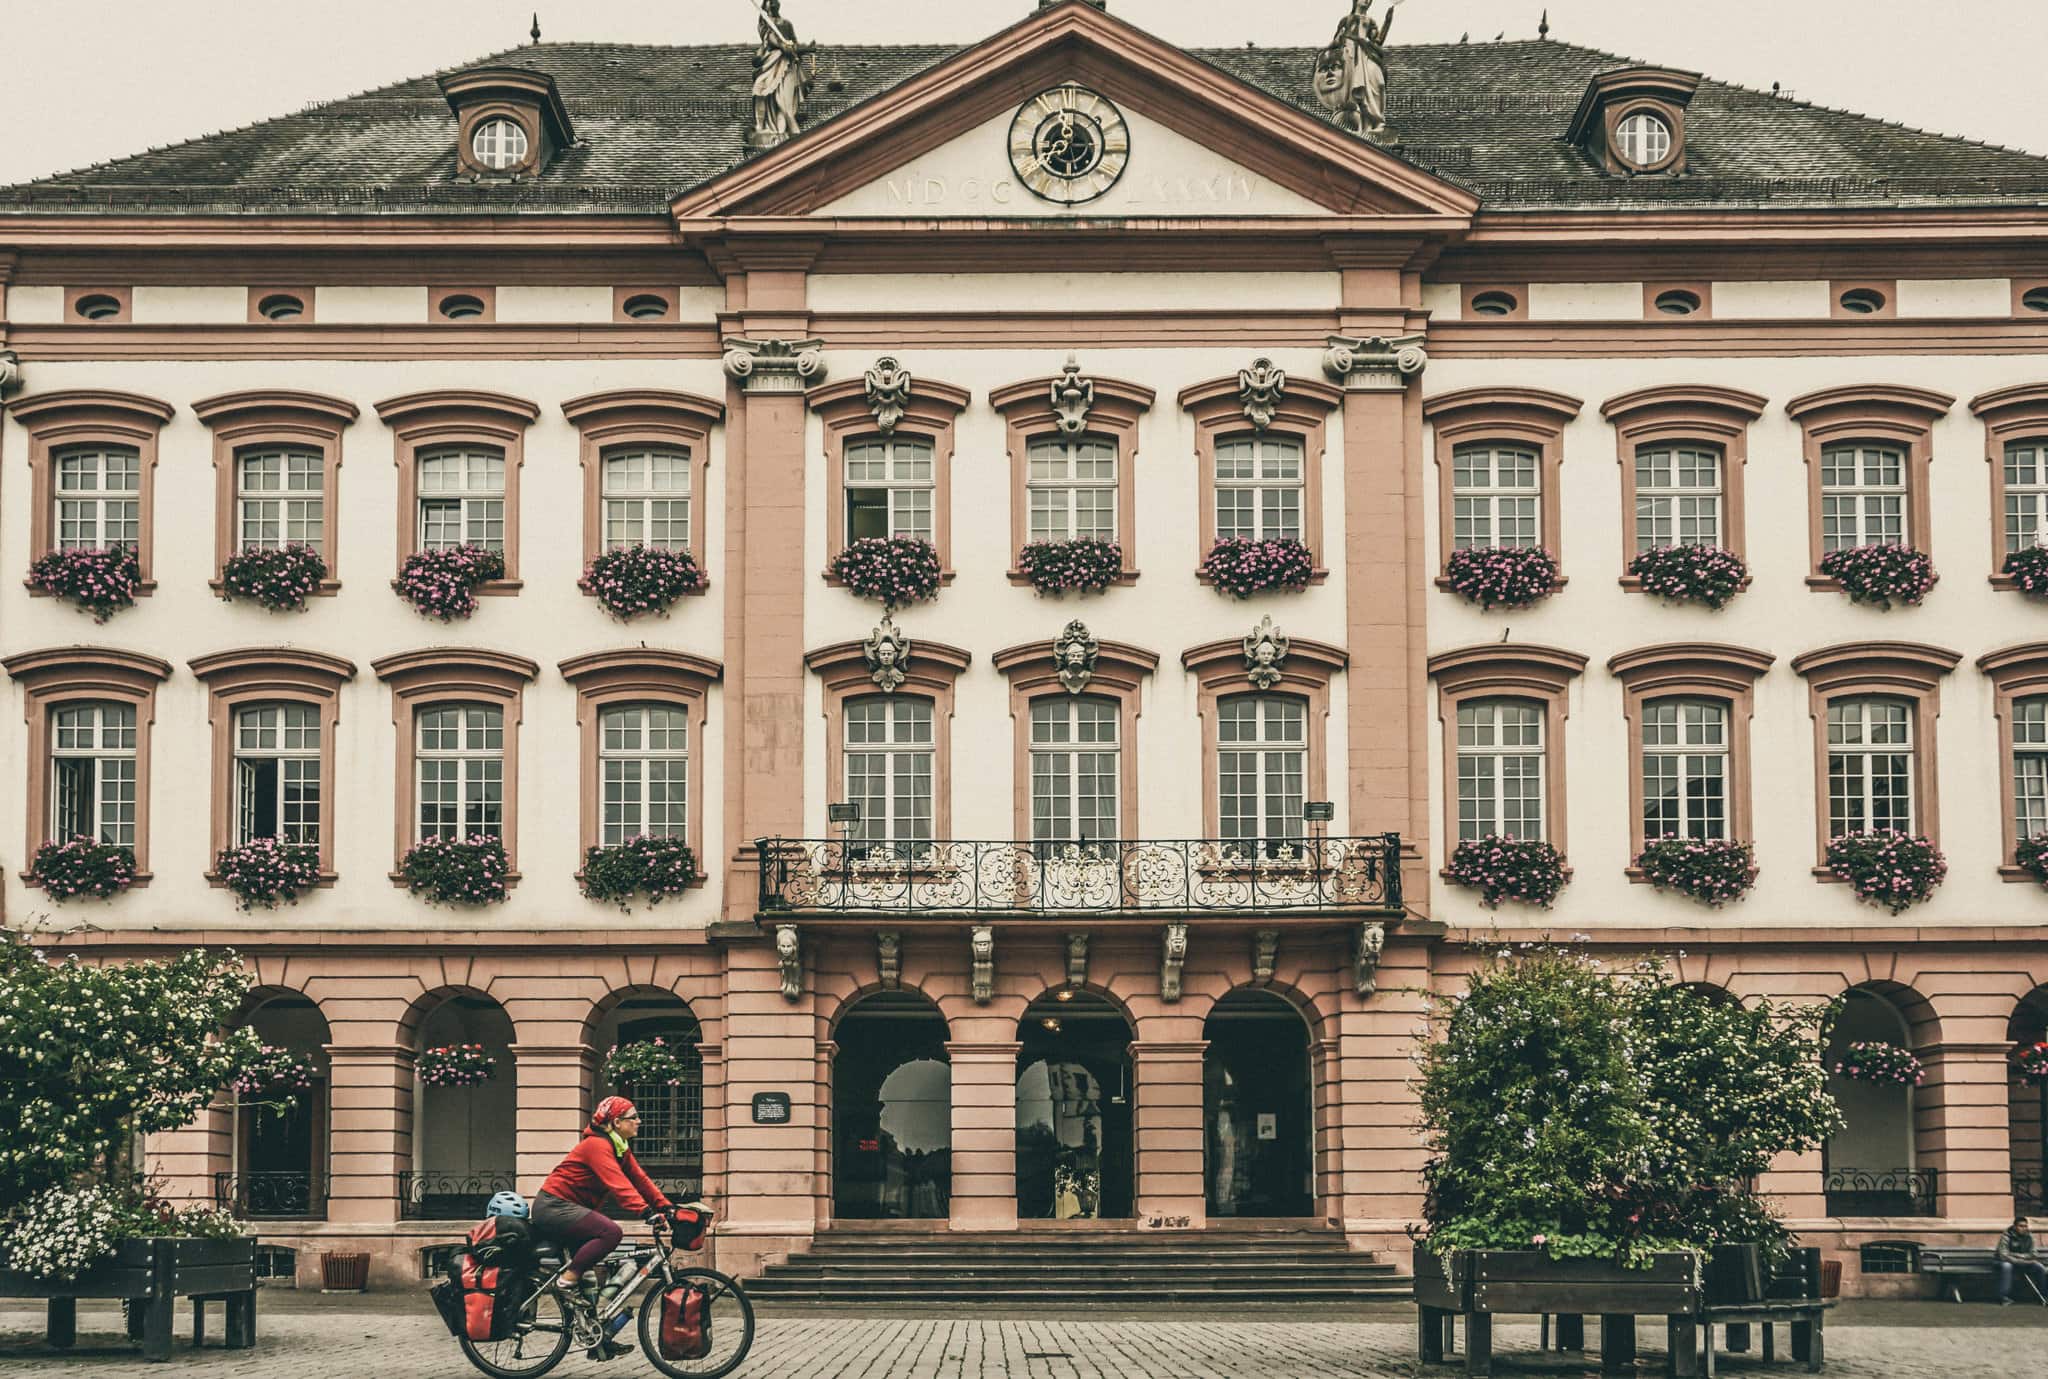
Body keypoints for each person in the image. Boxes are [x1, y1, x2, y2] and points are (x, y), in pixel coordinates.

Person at [532, 1096, 674, 1354]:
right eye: (634, 1117)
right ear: (617, 1122)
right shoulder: (597, 1146)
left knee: (589, 1281)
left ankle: (598, 1342)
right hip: (554, 1207)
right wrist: (645, 1212)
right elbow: (618, 1184)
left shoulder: (619, 1147)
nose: (639, 1121)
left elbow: (639, 1179)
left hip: (569, 1210)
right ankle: (564, 1282)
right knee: (610, 1232)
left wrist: (665, 1207)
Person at [1996, 1214, 2048, 1305]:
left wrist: (2020, 1257)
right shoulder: (2007, 1236)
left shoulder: (2029, 1236)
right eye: (2021, 1226)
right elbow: (2003, 1255)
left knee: (2039, 1267)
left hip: (2024, 1263)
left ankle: (2044, 1296)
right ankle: (2004, 1297)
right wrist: (2022, 1260)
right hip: (2004, 1262)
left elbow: (2034, 1253)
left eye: (2025, 1226)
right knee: (2007, 1266)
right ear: (2015, 1226)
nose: (2024, 1228)